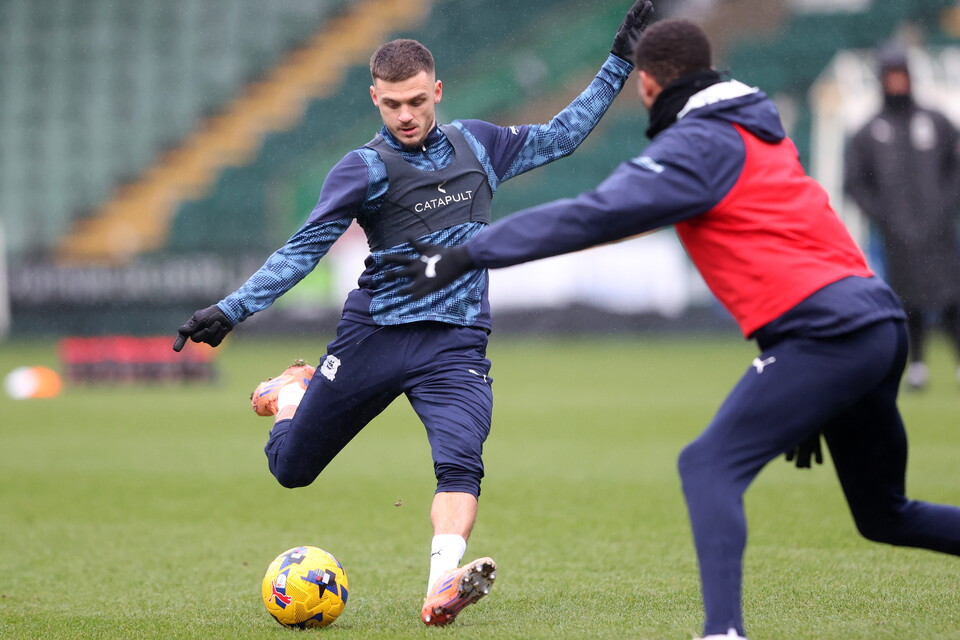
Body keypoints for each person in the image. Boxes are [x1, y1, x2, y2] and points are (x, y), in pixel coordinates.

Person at [387, 19, 960, 640]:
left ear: (651, 87)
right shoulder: (757, 127)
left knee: (706, 466)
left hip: (830, 335)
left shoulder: (696, 147)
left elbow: (592, 215)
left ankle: (722, 634)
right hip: (875, 322)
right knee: (885, 515)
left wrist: (468, 252)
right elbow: (795, 250)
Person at [173, 0, 654, 627]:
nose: (407, 115)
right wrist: (234, 310)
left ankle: (440, 588)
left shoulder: (479, 144)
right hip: (374, 336)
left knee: (461, 462)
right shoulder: (363, 169)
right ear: (375, 97)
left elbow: (561, 135)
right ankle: (292, 396)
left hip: (454, 346)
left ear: (437, 91)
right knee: (291, 470)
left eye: (418, 102)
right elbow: (304, 248)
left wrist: (619, 60)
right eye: (393, 103)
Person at [844, 45, 960, 391]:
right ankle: (917, 366)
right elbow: (855, 184)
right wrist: (885, 217)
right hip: (898, 235)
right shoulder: (868, 132)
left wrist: (946, 206)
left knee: (952, 296)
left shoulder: (937, 122)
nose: (896, 81)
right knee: (907, 300)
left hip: (940, 230)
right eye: (890, 75)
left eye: (901, 74)